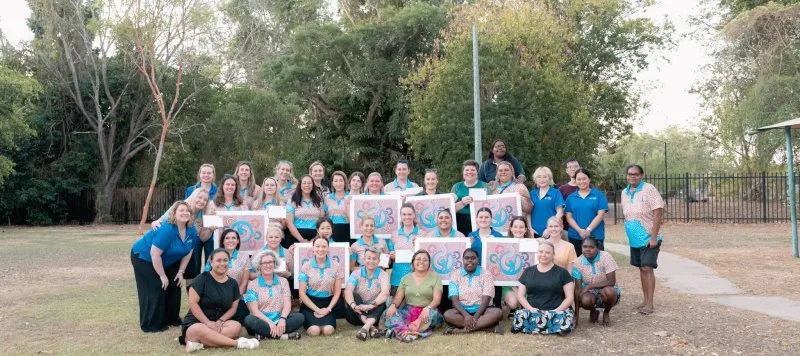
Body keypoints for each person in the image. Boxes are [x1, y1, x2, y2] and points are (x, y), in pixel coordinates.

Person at [131, 201, 197, 332]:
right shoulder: (167, 229)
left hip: (165, 260)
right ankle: (151, 325)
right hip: (144, 257)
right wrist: (162, 276)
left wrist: (180, 271)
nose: (185, 213)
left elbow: (189, 252)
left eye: (187, 211)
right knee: (156, 286)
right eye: (181, 210)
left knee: (175, 284)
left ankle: (171, 319)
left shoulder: (192, 230)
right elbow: (155, 254)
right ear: (174, 213)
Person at [179, 249, 259, 352]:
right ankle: (238, 343)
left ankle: (199, 344)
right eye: (218, 260)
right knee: (197, 329)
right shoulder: (201, 279)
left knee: (236, 326)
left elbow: (233, 308)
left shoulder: (233, 283)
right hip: (198, 322)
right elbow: (193, 303)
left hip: (219, 323)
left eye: (225, 260)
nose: (222, 263)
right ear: (211, 262)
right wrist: (207, 323)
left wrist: (220, 321)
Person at [620, 164, 664, 315]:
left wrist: (653, 237)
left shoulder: (649, 189)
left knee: (647, 268)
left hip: (648, 237)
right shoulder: (624, 193)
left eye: (636, 174)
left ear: (642, 175)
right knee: (641, 268)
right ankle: (645, 300)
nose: (632, 176)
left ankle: (650, 304)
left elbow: (658, 213)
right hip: (634, 238)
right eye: (630, 174)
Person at [151, 188, 215, 289]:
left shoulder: (205, 212)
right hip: (173, 244)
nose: (202, 201)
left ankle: (192, 298)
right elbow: (162, 219)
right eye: (199, 197)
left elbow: (203, 238)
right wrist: (156, 222)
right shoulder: (182, 206)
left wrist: (211, 228)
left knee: (192, 271)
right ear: (194, 196)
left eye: (205, 200)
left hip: (189, 244)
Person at [510, 241, 575, 335]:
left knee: (562, 318)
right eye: (541, 252)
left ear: (553, 254)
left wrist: (556, 310)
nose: (543, 255)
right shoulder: (528, 271)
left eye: (547, 252)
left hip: (556, 311)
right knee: (521, 315)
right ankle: (550, 327)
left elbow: (570, 298)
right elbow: (520, 295)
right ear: (537, 253)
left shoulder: (563, 273)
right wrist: (530, 308)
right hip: (534, 311)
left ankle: (535, 327)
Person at [383, 250, 444, 342]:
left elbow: (437, 300)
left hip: (427, 311)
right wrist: (393, 305)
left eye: (425, 260)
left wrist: (427, 308)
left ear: (429, 263)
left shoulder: (436, 278)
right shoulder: (405, 278)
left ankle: (402, 330)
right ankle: (407, 331)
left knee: (432, 315)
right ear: (413, 262)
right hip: (409, 311)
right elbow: (398, 298)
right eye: (418, 259)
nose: (421, 262)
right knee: (390, 312)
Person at [243, 250, 304, 340]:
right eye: (264, 263)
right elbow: (254, 311)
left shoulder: (283, 281)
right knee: (249, 320)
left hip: (280, 319)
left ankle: (264, 335)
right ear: (259, 266)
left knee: (300, 317)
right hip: (261, 320)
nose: (268, 265)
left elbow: (287, 304)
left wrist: (282, 319)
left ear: (275, 263)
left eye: (270, 262)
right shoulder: (252, 284)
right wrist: (270, 323)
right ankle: (283, 336)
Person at [443, 248, 503, 335]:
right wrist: (466, 316)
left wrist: (474, 318)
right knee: (448, 315)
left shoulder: (486, 274)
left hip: (482, 310)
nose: (470, 261)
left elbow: (486, 299)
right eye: (466, 258)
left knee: (497, 313)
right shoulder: (455, 274)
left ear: (478, 260)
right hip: (462, 311)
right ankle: (487, 328)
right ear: (463, 260)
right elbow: (454, 299)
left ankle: (460, 331)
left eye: (473, 258)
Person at [298, 236, 343, 336]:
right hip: (310, 304)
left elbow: (337, 293)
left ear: (328, 248)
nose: (320, 249)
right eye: (317, 246)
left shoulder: (336, 266)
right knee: (314, 331)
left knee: (328, 331)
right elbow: (302, 293)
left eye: (324, 246)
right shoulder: (306, 266)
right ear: (313, 248)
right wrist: (317, 310)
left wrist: (328, 309)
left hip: (328, 304)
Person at [344, 248, 391, 340]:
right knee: (355, 295)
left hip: (375, 312)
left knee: (381, 301)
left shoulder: (383, 275)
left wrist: (370, 306)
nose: (371, 261)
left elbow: (385, 293)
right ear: (363, 260)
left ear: (379, 261)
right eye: (368, 258)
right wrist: (354, 306)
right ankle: (371, 327)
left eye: (374, 259)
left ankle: (365, 328)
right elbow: (348, 291)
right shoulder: (356, 273)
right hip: (356, 313)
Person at [572, 237, 621, 326]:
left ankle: (606, 312)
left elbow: (611, 281)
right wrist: (576, 317)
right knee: (585, 300)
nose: (587, 249)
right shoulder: (577, 263)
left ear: (597, 248)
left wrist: (590, 286)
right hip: (589, 292)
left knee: (609, 292)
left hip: (607, 288)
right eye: (585, 247)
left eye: (591, 247)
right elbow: (578, 290)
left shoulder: (606, 257)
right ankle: (594, 311)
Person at [205, 229, 251, 322]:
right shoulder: (213, 255)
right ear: (222, 241)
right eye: (227, 238)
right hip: (216, 296)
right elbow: (206, 278)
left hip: (237, 297)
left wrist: (234, 300)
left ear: (238, 241)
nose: (231, 240)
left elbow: (244, 283)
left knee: (243, 313)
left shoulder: (244, 257)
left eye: (234, 238)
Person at [565, 168, 609, 255]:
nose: (582, 181)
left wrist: (588, 230)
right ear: (576, 181)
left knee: (597, 264)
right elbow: (568, 217)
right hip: (575, 236)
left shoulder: (598, 195)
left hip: (595, 235)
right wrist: (579, 230)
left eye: (584, 178)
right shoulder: (571, 197)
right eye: (579, 179)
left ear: (589, 179)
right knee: (577, 264)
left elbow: (600, 215)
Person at [451, 160, 489, 236]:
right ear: (463, 173)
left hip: (479, 220)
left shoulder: (484, 186)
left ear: (477, 172)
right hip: (459, 221)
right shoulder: (456, 187)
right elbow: (450, 208)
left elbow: (491, 204)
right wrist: (462, 203)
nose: (469, 172)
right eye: (467, 170)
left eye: (472, 170)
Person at [285, 175, 325, 247]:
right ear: (300, 185)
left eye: (309, 183)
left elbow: (322, 222)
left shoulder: (319, 201)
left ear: (313, 185)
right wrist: (301, 240)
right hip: (295, 237)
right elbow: (289, 223)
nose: (307, 185)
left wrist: (316, 238)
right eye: (304, 183)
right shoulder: (292, 201)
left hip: (315, 237)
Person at [502, 216, 531, 311]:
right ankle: (513, 306)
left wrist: (540, 240)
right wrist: (518, 292)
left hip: (528, 286)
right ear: (511, 229)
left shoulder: (532, 245)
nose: (518, 229)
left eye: (521, 227)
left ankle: (522, 304)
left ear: (526, 230)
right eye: (515, 226)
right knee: (513, 303)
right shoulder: (504, 245)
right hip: (510, 285)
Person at [389, 203, 419, 295]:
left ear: (414, 215)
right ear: (401, 216)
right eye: (404, 214)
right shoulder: (394, 235)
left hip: (417, 278)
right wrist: (391, 256)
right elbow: (389, 260)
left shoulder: (422, 235)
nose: (407, 217)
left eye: (409, 214)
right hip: (397, 279)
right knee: (396, 308)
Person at [529, 166, 565, 238]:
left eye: (545, 177)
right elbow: (528, 213)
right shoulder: (532, 193)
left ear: (550, 178)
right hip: (534, 232)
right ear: (535, 179)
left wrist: (549, 229)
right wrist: (530, 228)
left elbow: (560, 212)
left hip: (551, 232)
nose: (542, 179)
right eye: (539, 177)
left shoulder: (555, 192)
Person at [325, 171, 350, 243]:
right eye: (335, 181)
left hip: (347, 230)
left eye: (341, 181)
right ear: (332, 183)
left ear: (345, 182)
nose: (338, 183)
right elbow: (324, 216)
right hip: (331, 231)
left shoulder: (350, 197)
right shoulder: (327, 198)